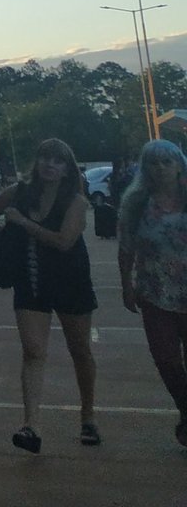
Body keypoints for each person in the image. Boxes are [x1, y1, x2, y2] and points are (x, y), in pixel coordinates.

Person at [0, 137, 99, 452]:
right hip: (30, 282)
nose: (50, 165)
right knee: (33, 352)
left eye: (58, 160)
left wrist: (22, 223)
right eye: (45, 158)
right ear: (37, 162)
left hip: (71, 282)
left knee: (80, 351)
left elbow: (64, 241)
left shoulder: (74, 201)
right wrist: (3, 233)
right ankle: (31, 426)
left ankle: (87, 416)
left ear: (66, 169)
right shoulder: (19, 192)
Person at [118, 139, 187, 446]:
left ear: (179, 165)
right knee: (166, 359)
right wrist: (126, 285)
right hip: (155, 291)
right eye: (153, 163)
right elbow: (126, 248)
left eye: (167, 162)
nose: (160, 168)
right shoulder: (136, 202)